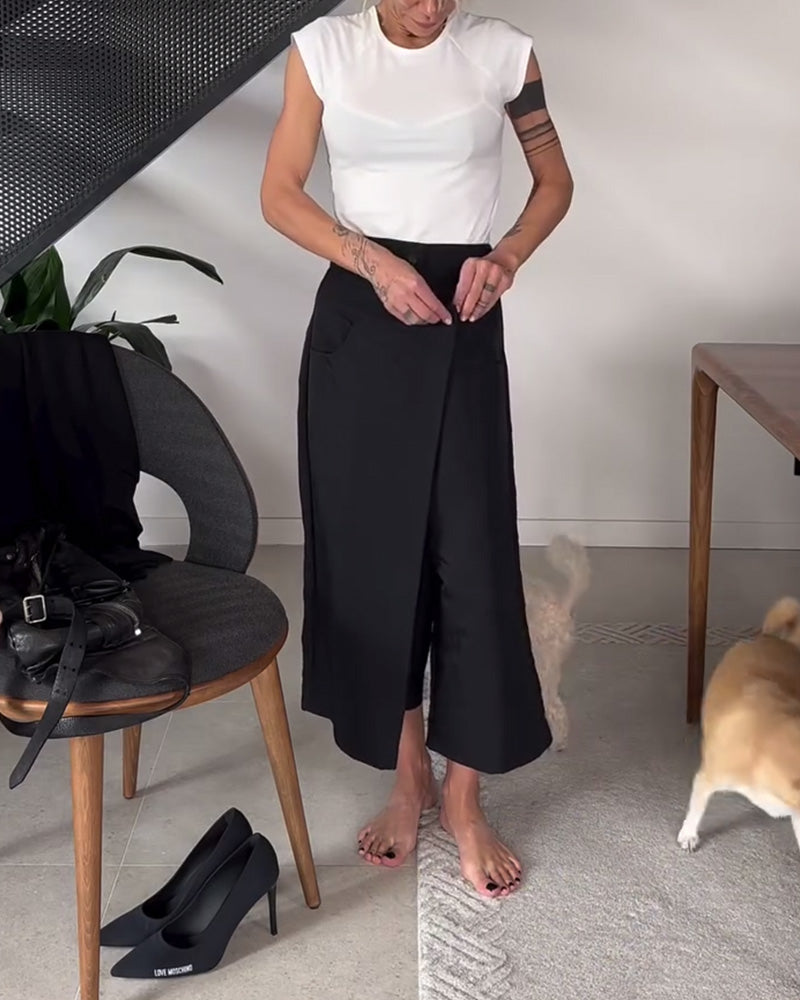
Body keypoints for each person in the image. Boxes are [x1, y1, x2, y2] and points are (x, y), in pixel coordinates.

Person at [260, 0, 573, 899]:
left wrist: (507, 257)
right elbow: (280, 193)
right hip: (361, 325)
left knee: (474, 561)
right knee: (374, 561)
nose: (430, 9)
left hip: (465, 315)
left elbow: (554, 182)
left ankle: (465, 797)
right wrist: (373, 262)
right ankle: (409, 781)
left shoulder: (504, 53)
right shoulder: (323, 51)